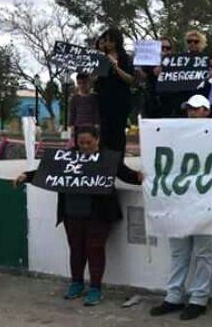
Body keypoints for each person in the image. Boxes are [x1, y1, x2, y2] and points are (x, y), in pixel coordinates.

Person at [13, 125, 143, 306]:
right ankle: (76, 283)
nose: (85, 146)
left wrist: (141, 177)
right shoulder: (66, 157)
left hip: (99, 214)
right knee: (76, 249)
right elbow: (48, 172)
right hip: (72, 212)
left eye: (89, 142)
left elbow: (126, 174)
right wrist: (26, 176)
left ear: (97, 140)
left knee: (95, 250)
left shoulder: (107, 158)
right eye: (81, 143)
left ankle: (95, 288)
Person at [150, 94, 212, 321]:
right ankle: (174, 295)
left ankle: (199, 299)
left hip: (206, 200)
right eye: (189, 109)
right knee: (179, 251)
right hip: (179, 199)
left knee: (203, 252)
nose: (191, 112)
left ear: (207, 111)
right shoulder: (177, 135)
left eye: (196, 109)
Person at [95, 28, 135, 154]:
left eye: (110, 40)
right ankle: (104, 160)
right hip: (104, 99)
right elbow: (94, 79)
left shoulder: (125, 58)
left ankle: (118, 160)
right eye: (105, 40)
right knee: (105, 131)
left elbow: (130, 79)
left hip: (120, 99)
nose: (107, 43)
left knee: (118, 132)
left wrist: (116, 67)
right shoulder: (101, 58)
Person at [160, 30, 210, 118]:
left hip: (201, 97)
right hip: (182, 99)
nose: (192, 43)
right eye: (189, 41)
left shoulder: (207, 61)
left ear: (202, 43)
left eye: (196, 41)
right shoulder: (178, 60)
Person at [136, 37, 174, 118]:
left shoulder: (176, 63)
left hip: (169, 102)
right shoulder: (148, 63)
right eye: (161, 47)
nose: (164, 50)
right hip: (151, 101)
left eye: (167, 48)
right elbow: (143, 77)